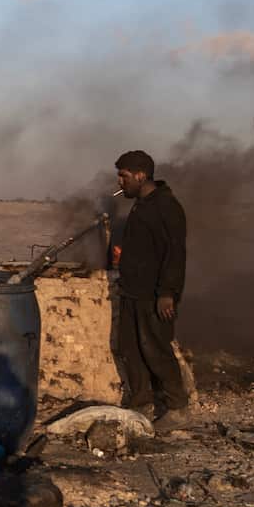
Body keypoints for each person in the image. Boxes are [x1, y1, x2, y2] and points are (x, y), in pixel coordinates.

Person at [113, 150, 190, 430]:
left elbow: (175, 254)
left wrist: (167, 292)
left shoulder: (166, 207)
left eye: (124, 176)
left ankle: (177, 407)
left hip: (154, 295)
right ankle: (141, 403)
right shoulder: (142, 204)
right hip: (133, 291)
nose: (120, 182)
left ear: (141, 175)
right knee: (130, 349)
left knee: (155, 349)